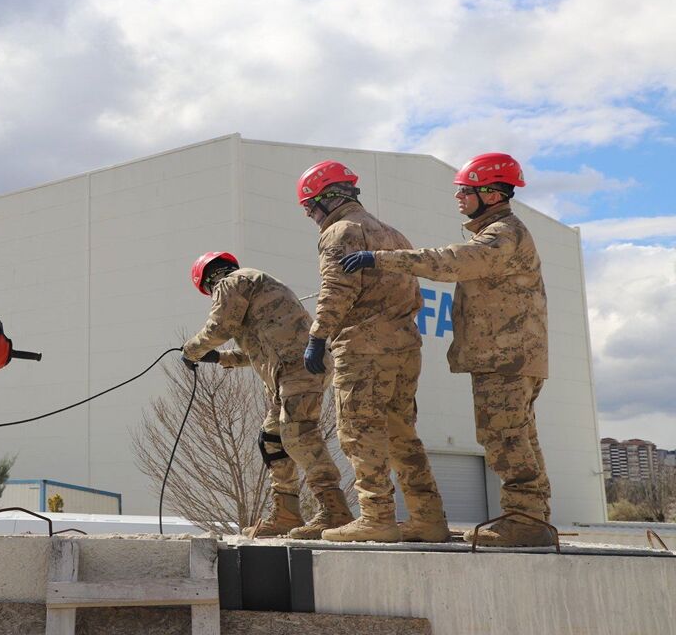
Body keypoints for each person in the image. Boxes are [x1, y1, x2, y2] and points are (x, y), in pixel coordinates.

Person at [340, 153, 551, 547]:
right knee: (517, 437)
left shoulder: (502, 234)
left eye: (464, 191)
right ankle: (529, 518)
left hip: (506, 357)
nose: (458, 197)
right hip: (511, 356)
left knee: (504, 438)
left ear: (490, 193)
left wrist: (380, 259)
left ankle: (526, 522)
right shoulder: (502, 231)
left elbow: (451, 262)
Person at [297, 161, 448, 543]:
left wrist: (318, 337)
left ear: (328, 199)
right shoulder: (395, 235)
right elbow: (414, 293)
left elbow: (336, 288)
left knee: (359, 432)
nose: (311, 216)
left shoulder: (340, 232)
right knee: (402, 434)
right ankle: (428, 519)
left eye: (309, 207)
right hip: (405, 347)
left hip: (364, 348)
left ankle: (377, 517)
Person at [183, 252, 353, 539]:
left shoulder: (231, 283)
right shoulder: (253, 284)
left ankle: (334, 509)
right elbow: (260, 349)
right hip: (294, 368)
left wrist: (192, 350)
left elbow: (219, 327)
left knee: (299, 435)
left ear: (208, 282)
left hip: (297, 368)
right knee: (272, 438)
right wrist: (222, 359)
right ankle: (286, 514)